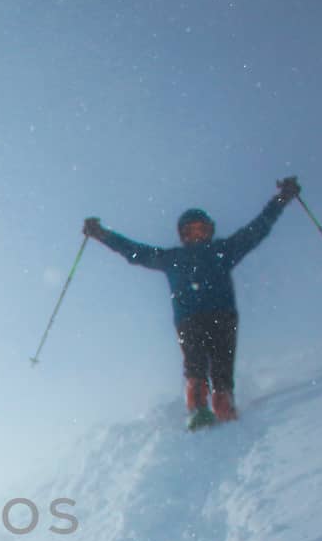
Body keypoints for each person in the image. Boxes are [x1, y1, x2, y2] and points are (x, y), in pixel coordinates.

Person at [83, 176, 300, 427]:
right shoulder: (172, 258)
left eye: (201, 229)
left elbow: (256, 230)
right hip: (190, 320)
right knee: (195, 364)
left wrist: (282, 199)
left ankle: (223, 401)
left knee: (222, 363)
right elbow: (135, 251)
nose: (196, 235)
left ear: (210, 231)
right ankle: (198, 408)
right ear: (183, 235)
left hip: (222, 315)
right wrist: (101, 234)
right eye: (190, 230)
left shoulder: (224, 250)